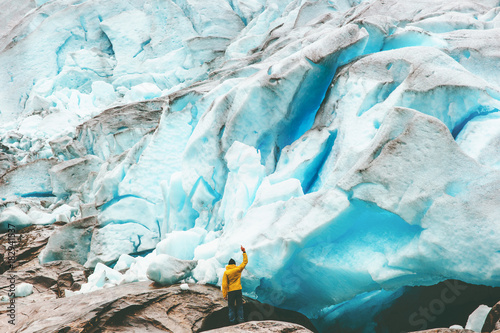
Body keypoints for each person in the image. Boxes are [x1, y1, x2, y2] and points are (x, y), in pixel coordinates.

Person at [222, 245, 248, 324]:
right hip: (238, 290)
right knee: (240, 306)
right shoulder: (238, 269)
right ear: (234, 264)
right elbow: (245, 262)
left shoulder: (226, 272)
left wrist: (224, 295)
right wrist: (244, 252)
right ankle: (241, 319)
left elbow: (224, 284)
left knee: (231, 307)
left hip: (231, 291)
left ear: (228, 265)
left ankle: (232, 321)